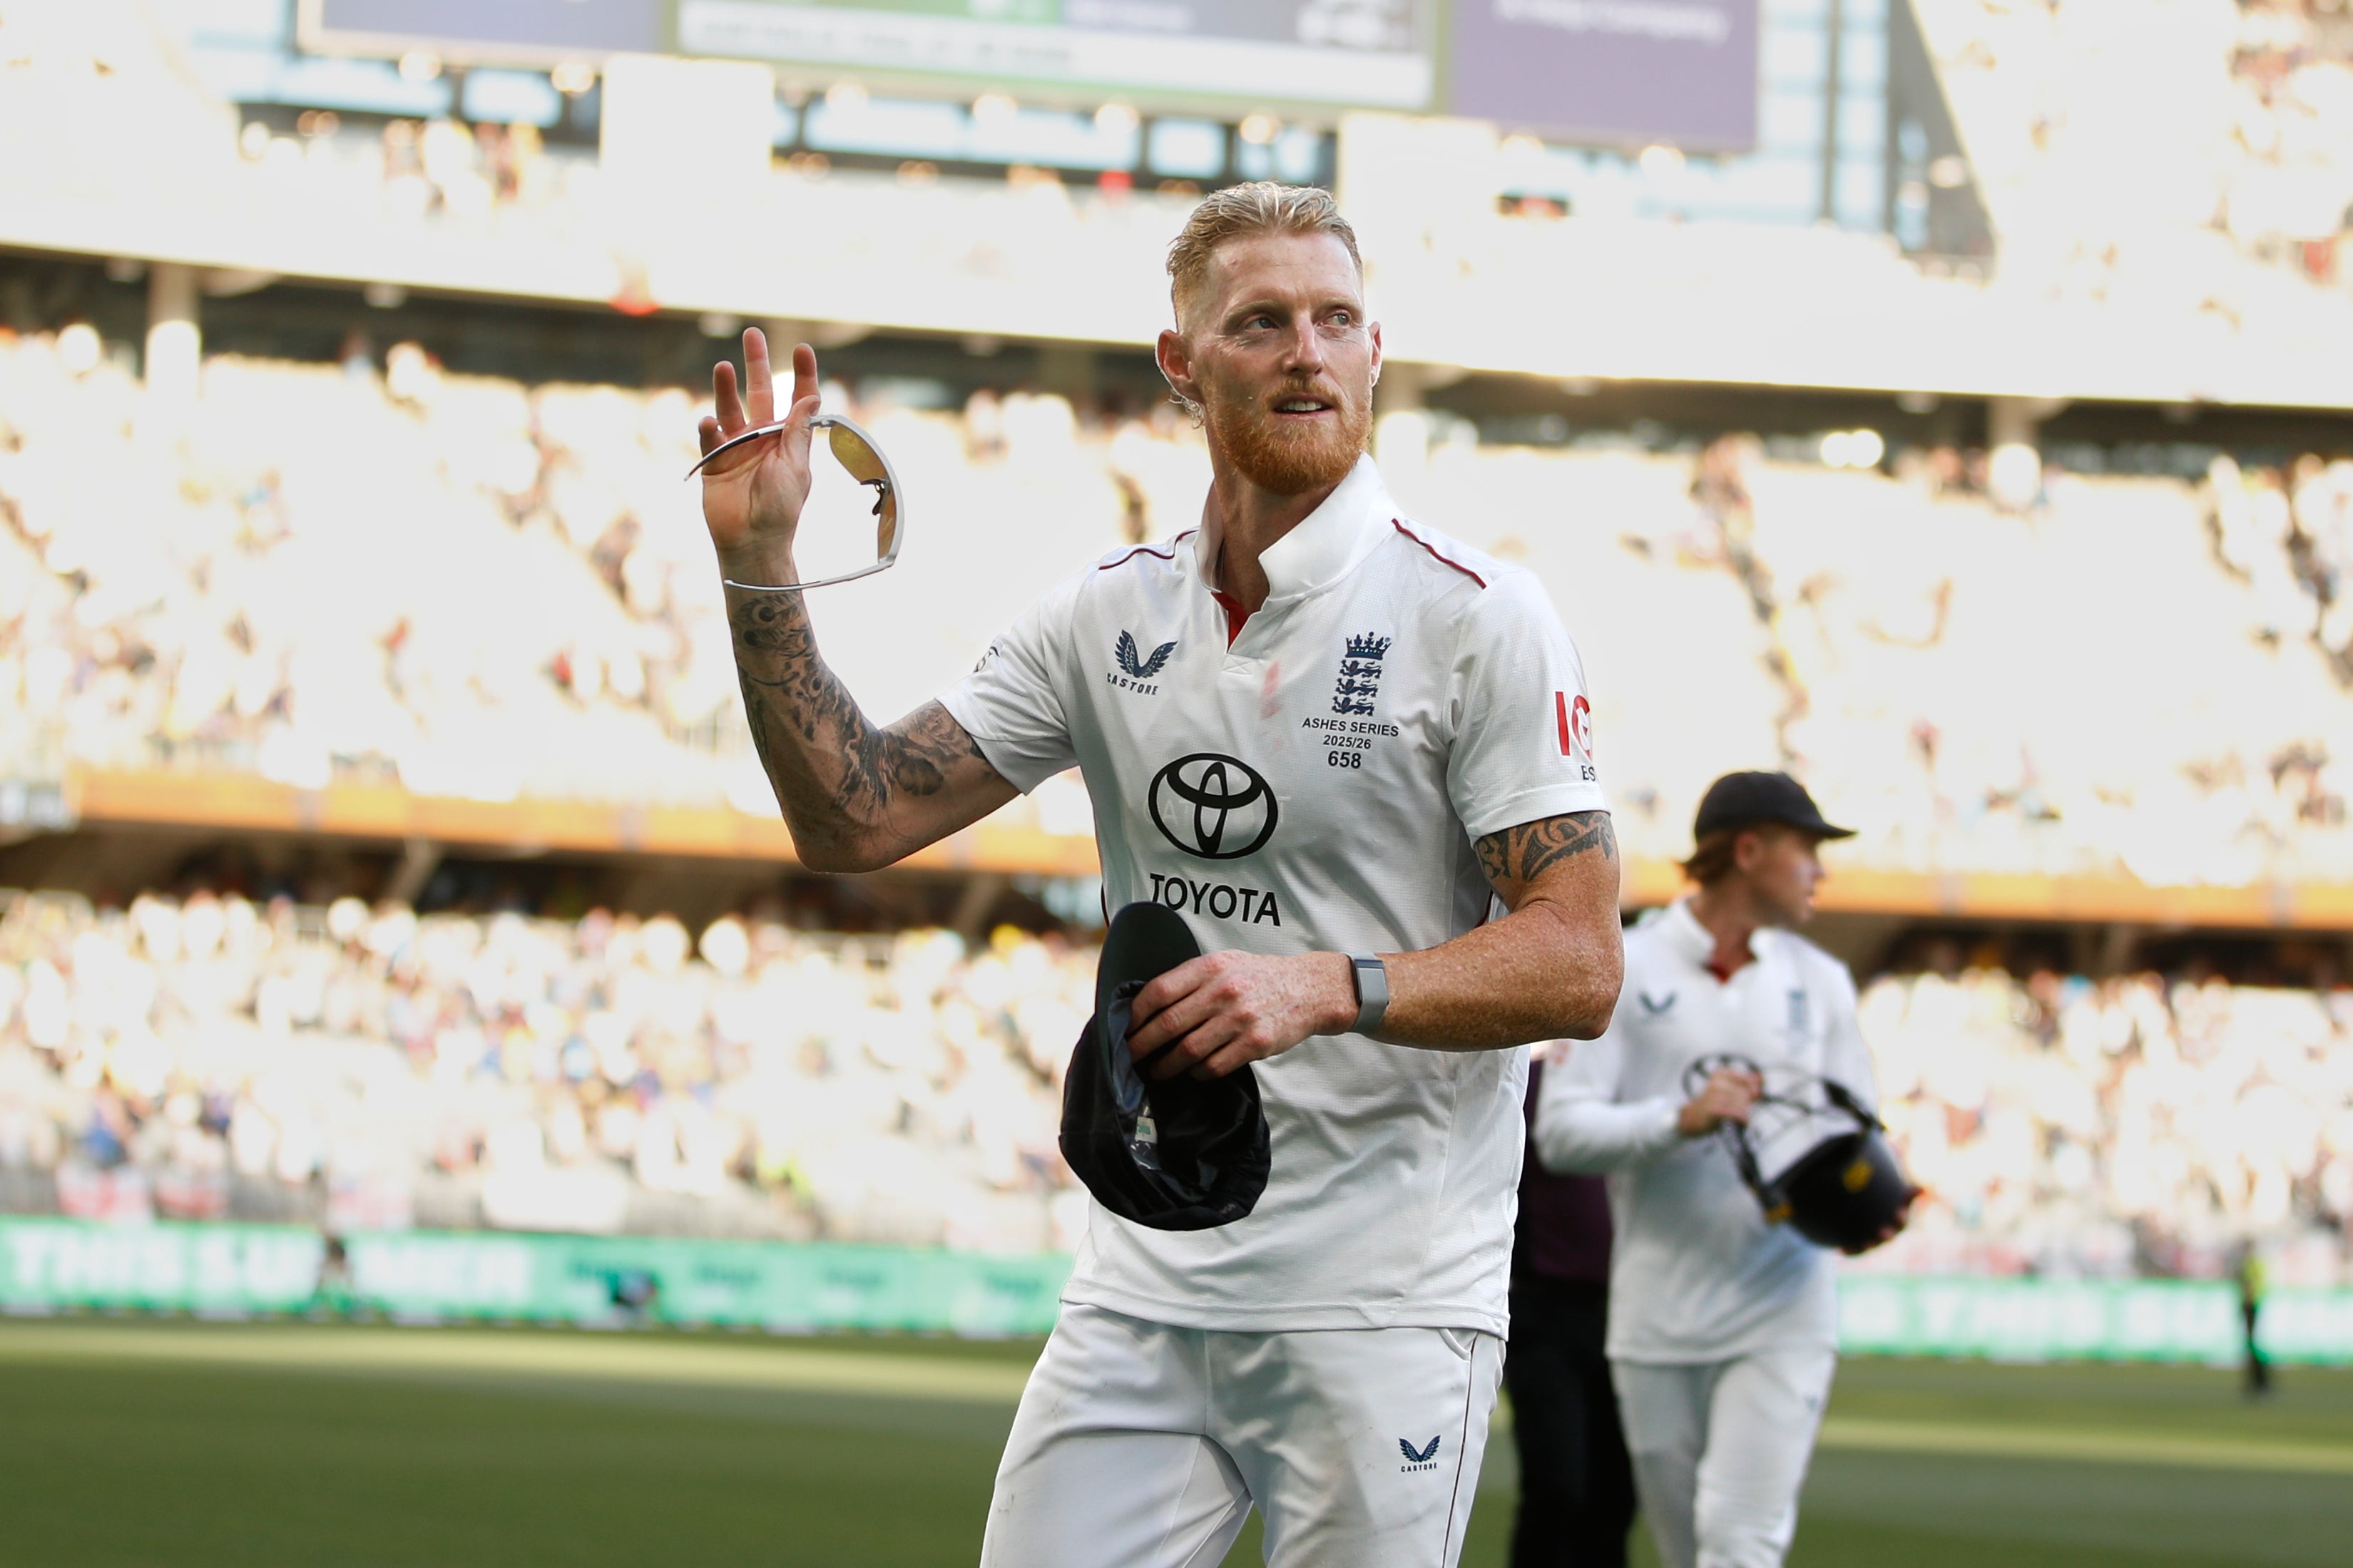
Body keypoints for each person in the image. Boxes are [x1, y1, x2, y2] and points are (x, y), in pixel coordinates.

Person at [695, 182, 1625, 1568]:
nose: (1306, 349)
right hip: (1143, 1289)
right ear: (1180, 365)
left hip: (1379, 1305)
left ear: (1375, 352)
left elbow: (1580, 957)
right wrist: (761, 565)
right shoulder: (1103, 612)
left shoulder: (1477, 617)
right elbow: (855, 818)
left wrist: (1326, 984)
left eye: (1335, 320)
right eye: (1260, 322)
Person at [1533, 772, 1904, 1568]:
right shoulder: (1622, 966)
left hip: (1782, 1308)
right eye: (1806, 850)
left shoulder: (1821, 982)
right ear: (1748, 850)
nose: (1819, 870)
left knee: (1738, 1546)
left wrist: (1874, 1202)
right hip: (1655, 1321)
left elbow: (1858, 1132)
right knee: (1685, 1548)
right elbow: (1560, 1135)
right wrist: (1680, 1119)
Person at [1504, 1053, 1636, 1567]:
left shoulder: (1638, 1084)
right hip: (1543, 1308)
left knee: (1617, 1494)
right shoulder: (1529, 1081)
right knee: (1558, 1491)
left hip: (1628, 1307)